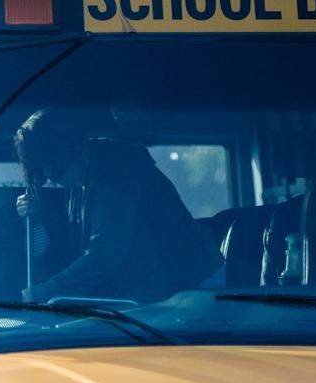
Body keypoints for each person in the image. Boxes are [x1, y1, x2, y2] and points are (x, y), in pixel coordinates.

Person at [14, 108, 223, 303]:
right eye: (41, 168)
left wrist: (49, 290)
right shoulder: (80, 180)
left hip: (195, 291)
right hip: (160, 296)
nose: (48, 174)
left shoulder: (115, 169)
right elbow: (79, 254)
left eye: (49, 163)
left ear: (66, 146)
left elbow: (106, 254)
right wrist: (37, 220)